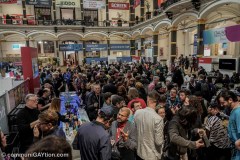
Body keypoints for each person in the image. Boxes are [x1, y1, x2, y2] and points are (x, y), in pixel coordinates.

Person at [134, 91, 164, 160]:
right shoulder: (158, 119)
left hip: (139, 152)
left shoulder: (137, 112)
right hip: (151, 155)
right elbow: (159, 142)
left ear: (148, 100)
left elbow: (135, 132)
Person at [218, 91, 240, 160]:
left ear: (230, 100)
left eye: (223, 102)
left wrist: (237, 143)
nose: (222, 105)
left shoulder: (238, 112)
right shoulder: (234, 110)